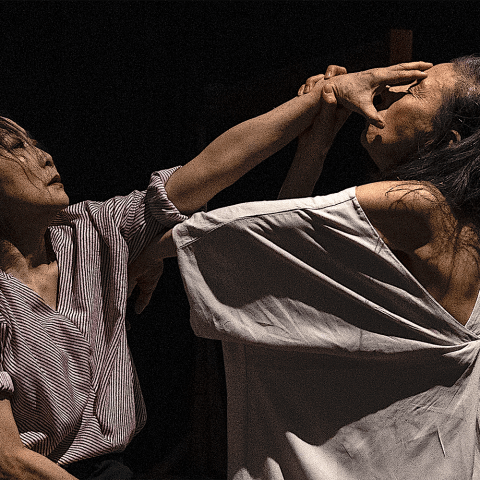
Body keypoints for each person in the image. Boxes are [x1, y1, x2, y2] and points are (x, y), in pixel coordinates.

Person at [0, 61, 430, 479]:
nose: (43, 157)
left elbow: (214, 168)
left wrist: (320, 100)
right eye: (17, 148)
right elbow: (9, 461)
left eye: (35, 143)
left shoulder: (90, 230)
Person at [130, 55, 480, 479]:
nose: (390, 90)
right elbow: (275, 250)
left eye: (417, 89)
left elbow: (240, 230)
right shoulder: (457, 221)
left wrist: (148, 250)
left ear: (450, 141)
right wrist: (315, 147)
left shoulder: (420, 207)